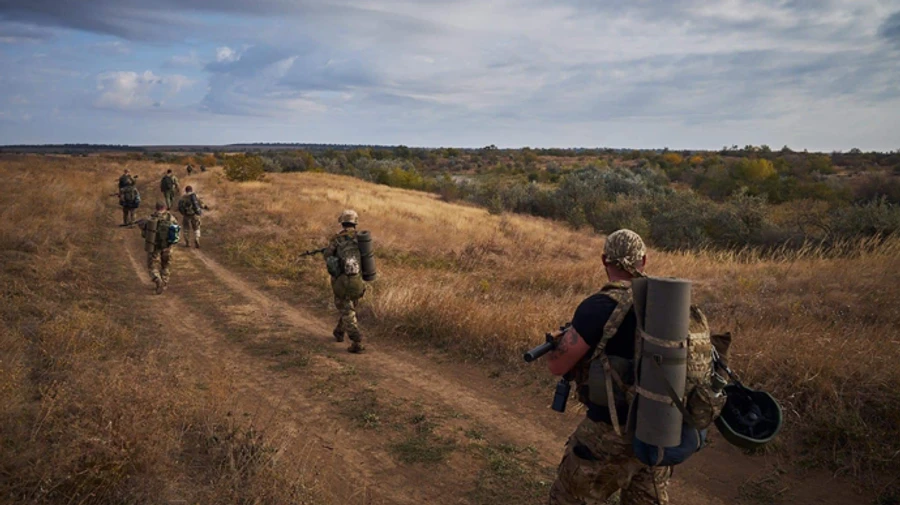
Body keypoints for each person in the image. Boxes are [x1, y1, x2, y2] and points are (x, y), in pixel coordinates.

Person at [546, 229, 723, 505]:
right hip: (660, 428)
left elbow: (558, 365)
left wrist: (559, 346)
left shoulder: (598, 307)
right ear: (644, 260)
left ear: (605, 260)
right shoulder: (668, 306)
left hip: (609, 434)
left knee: (569, 498)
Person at [324, 209, 368, 353]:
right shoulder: (362, 239)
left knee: (346, 309)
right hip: (358, 281)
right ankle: (339, 331)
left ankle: (357, 341)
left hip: (342, 281)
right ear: (355, 222)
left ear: (342, 222)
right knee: (349, 307)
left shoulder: (337, 239)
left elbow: (328, 256)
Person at [138, 202, 179, 294]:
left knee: (152, 265)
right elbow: (176, 233)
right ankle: (164, 284)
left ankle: (157, 279)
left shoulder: (150, 219)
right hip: (167, 247)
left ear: (156, 208)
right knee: (166, 265)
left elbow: (144, 234)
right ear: (165, 207)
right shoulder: (171, 218)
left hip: (154, 246)